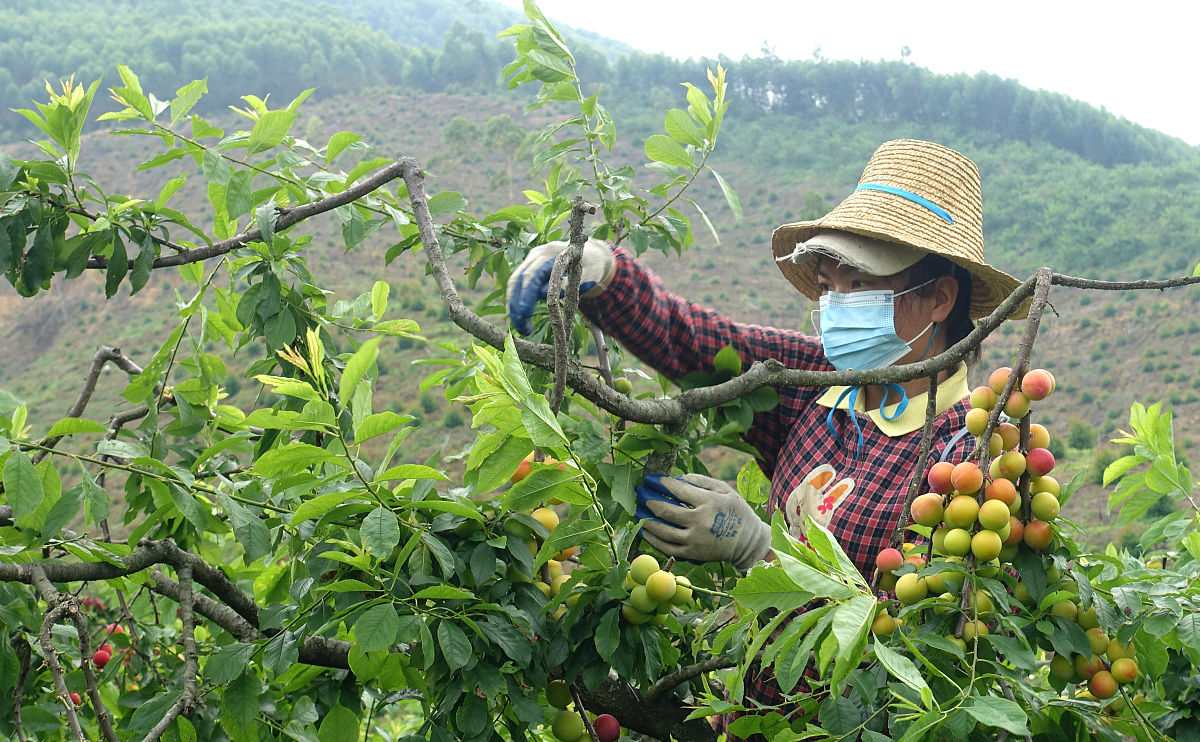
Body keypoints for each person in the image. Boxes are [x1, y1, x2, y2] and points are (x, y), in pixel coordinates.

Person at [505, 139, 1025, 733]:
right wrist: (601, 271)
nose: (835, 304)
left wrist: (761, 551)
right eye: (830, 284)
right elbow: (694, 341)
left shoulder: (970, 461)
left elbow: (917, 647)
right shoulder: (817, 386)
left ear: (938, 298)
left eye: (860, 285)